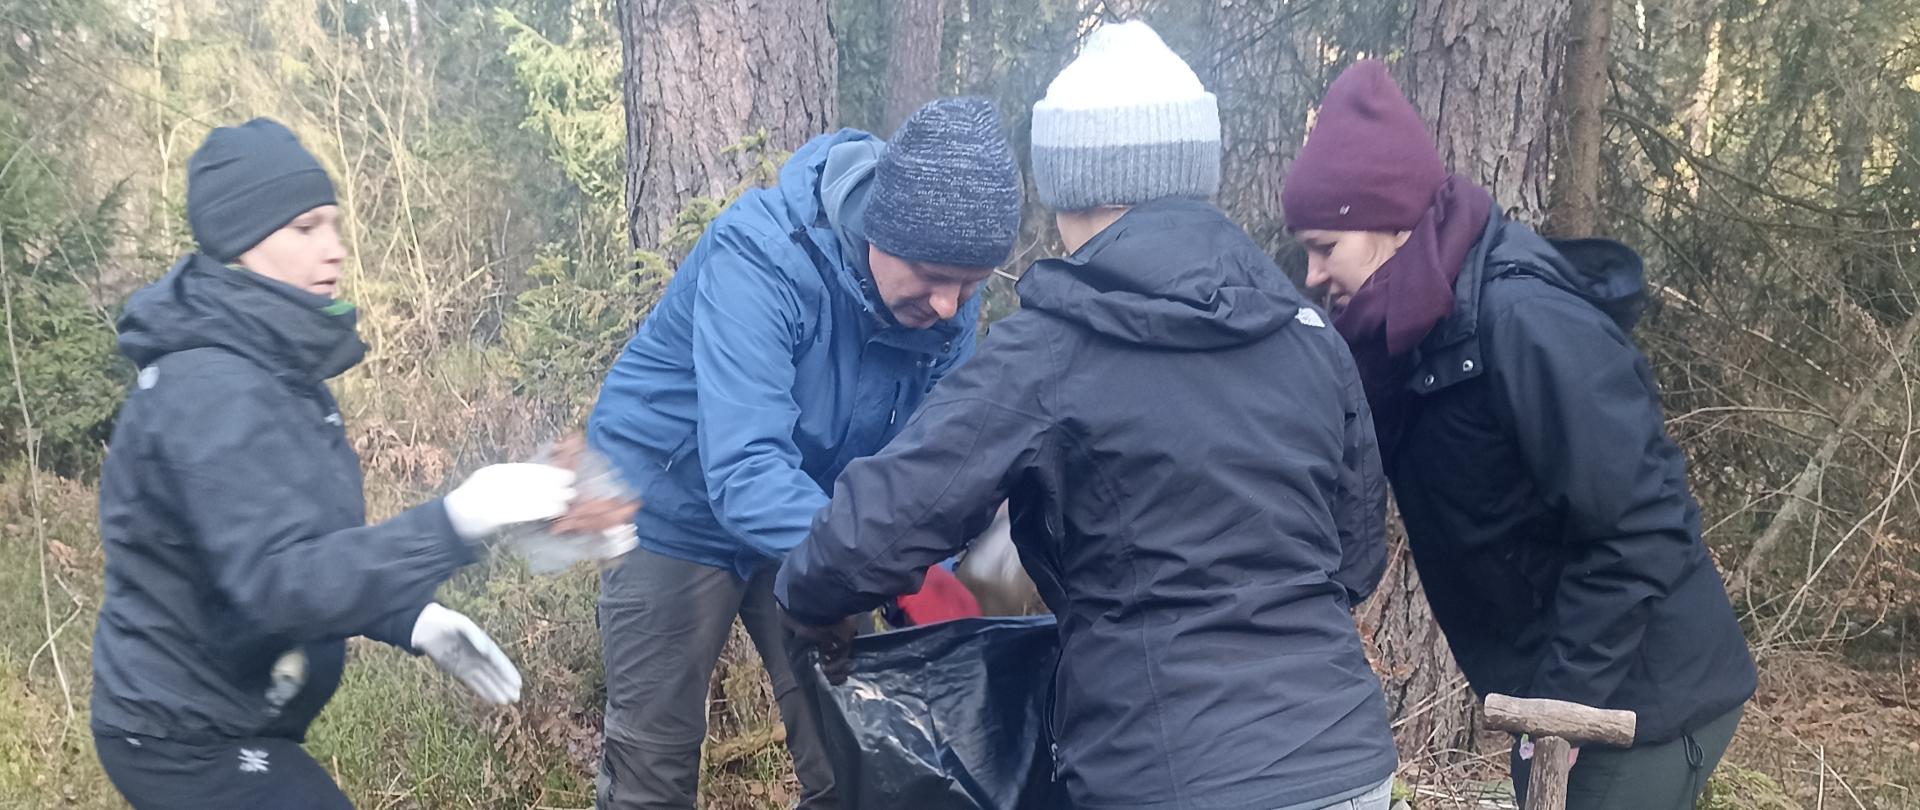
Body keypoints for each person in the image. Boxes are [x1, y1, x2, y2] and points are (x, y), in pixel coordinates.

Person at [777, 22, 1399, 810]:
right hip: (1345, 764)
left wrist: (809, 600)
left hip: (1170, 777)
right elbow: (1356, 559)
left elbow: (880, 525)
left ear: (1072, 187)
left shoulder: (1052, 349)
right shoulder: (1306, 335)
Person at [1281, 60, 1758, 810]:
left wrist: (1552, 708)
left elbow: (1643, 527)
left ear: (1390, 223)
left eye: (1323, 246)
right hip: (1567, 696)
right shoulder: (1412, 328)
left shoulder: (1523, 323)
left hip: (1640, 703)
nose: (1311, 274)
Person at [89, 118, 592, 810]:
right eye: (304, 229)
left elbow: (306, 547)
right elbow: (277, 582)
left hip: (236, 715)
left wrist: (407, 617)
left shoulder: (272, 366)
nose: (334, 249)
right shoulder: (207, 389)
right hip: (179, 735)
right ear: (239, 242)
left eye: (332, 223)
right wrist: (450, 524)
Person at [585, 97, 1022, 810]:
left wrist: (934, 571)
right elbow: (746, 470)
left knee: (853, 753)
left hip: (819, 514)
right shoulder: (761, 257)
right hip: (674, 503)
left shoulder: (948, 306)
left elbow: (929, 467)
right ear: (881, 229)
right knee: (653, 772)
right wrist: (894, 575)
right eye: (933, 275)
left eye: (972, 283)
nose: (949, 306)